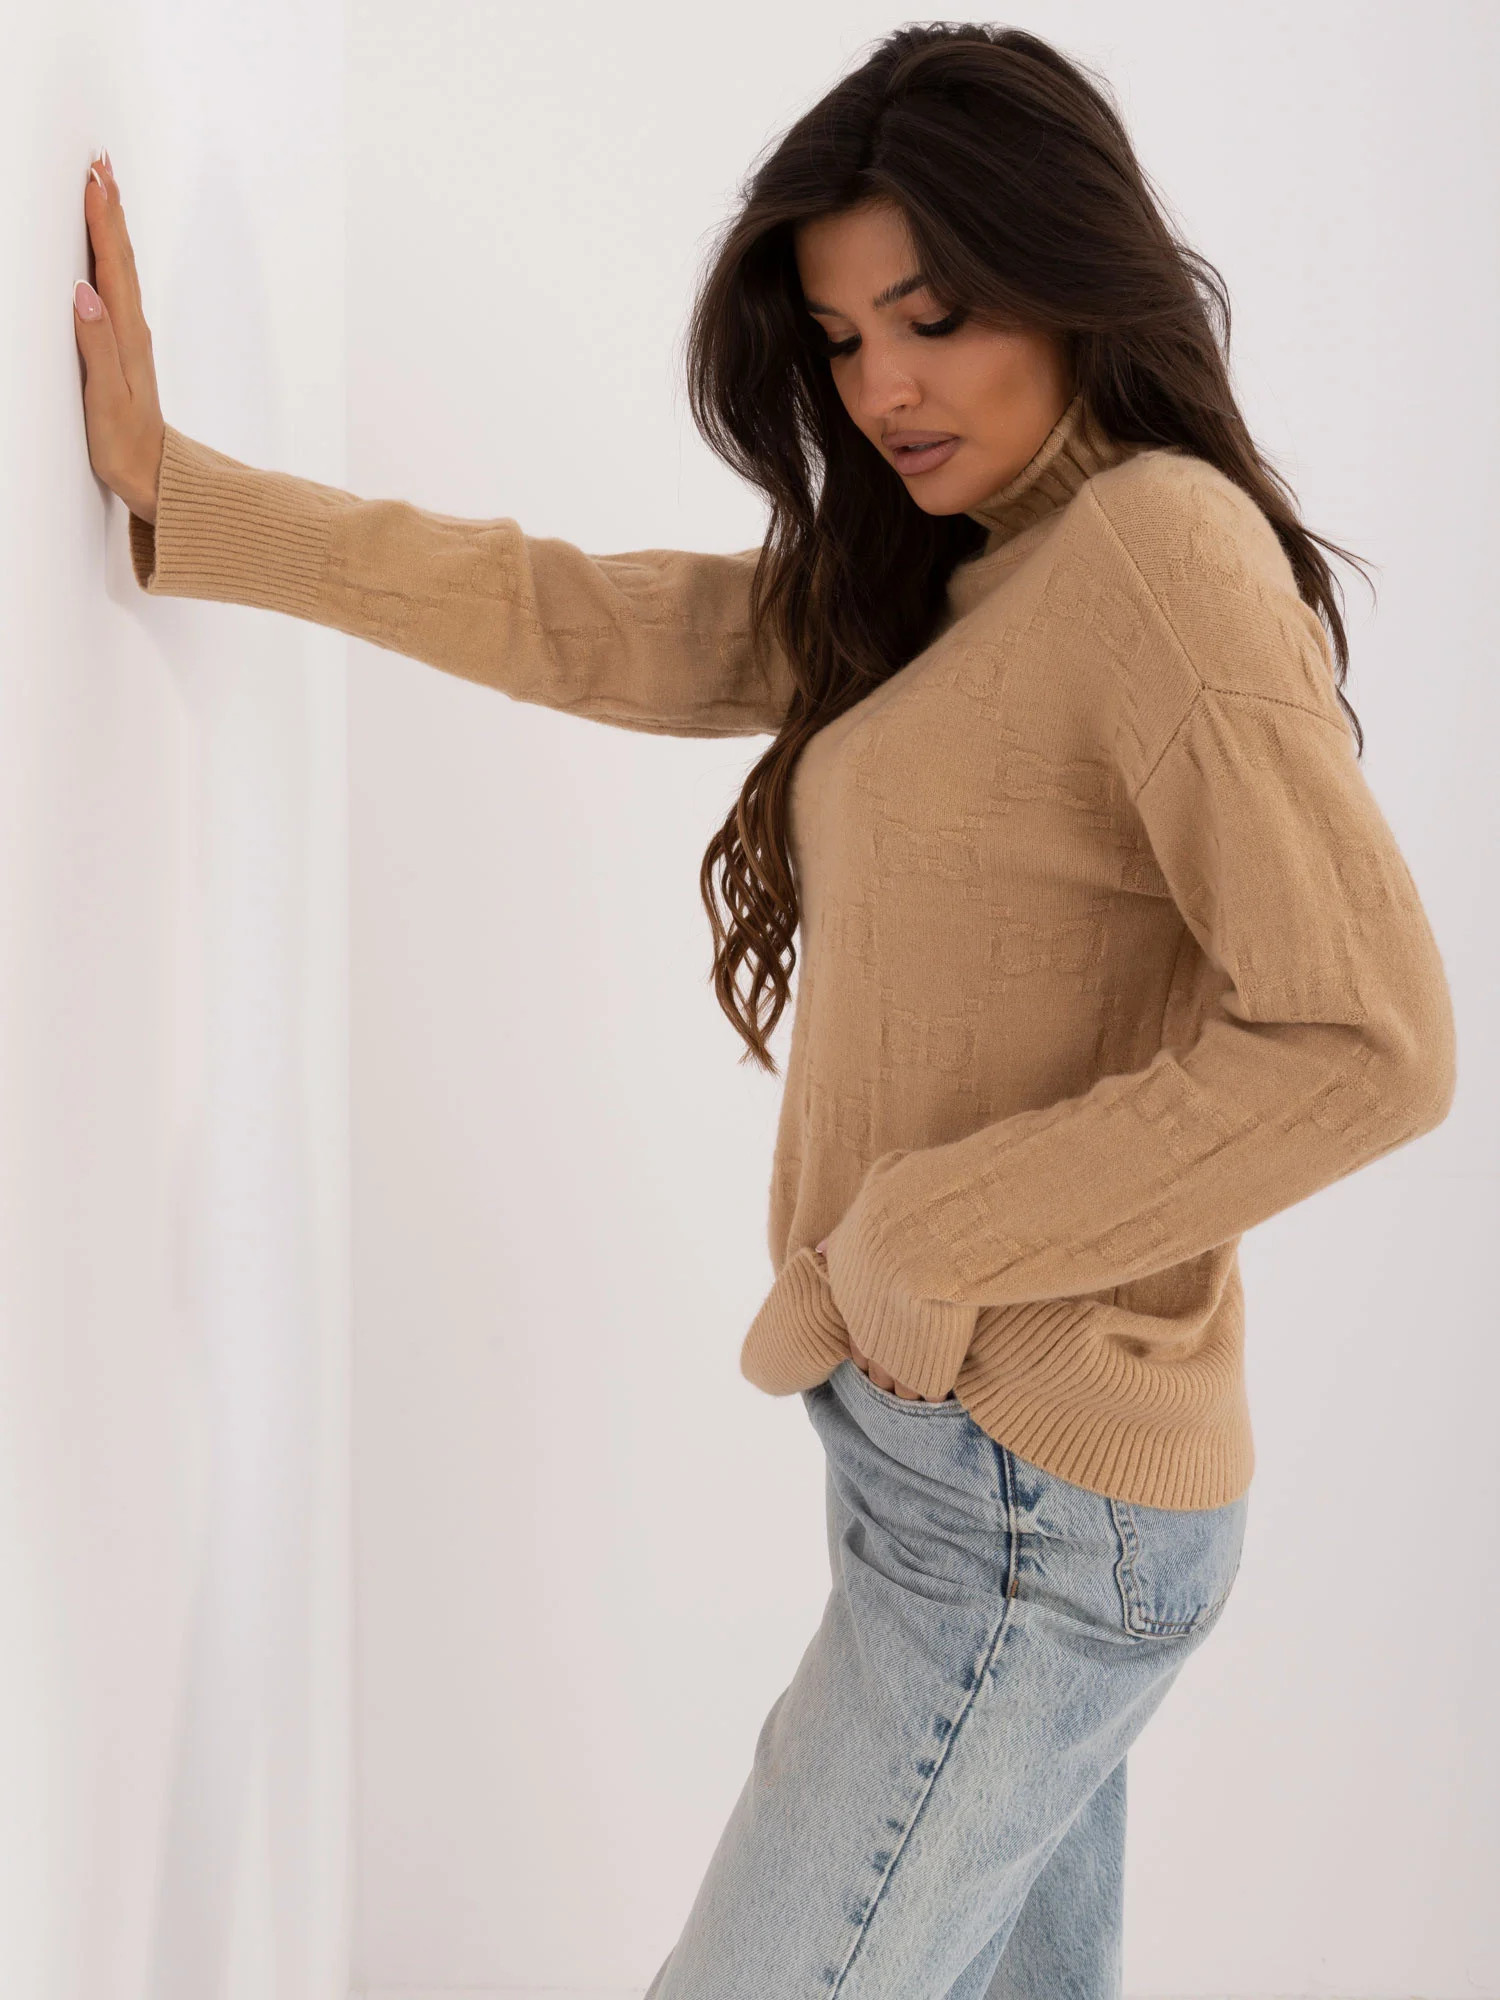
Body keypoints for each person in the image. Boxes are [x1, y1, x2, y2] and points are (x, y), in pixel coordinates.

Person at [73, 23, 1456, 1999]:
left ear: (1067, 271)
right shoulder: (962, 574)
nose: (883, 388)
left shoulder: (1159, 556)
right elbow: (588, 615)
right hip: (968, 1475)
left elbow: (1368, 1038)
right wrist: (186, 495)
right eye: (841, 338)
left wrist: (931, 1237)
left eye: (934, 318)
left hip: (1030, 1503)